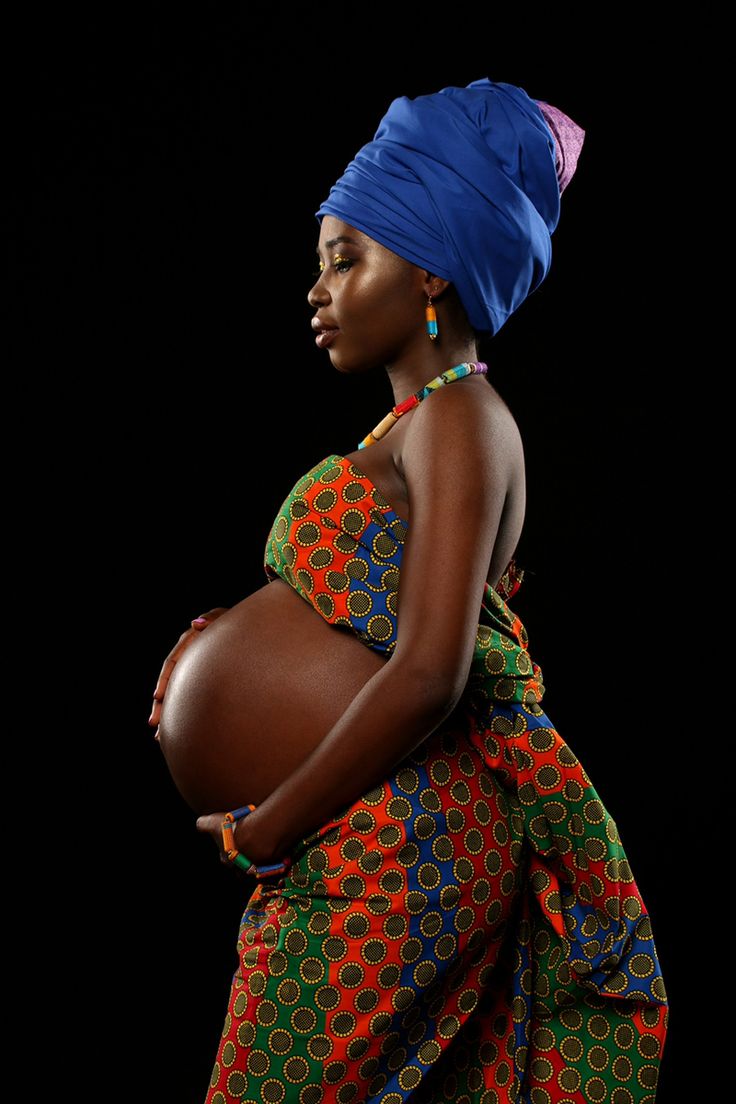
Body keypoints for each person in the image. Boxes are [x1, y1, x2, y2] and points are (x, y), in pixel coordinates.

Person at [153, 78, 668, 1103]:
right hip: (369, 835)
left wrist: (267, 830)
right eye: (318, 266)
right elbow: (386, 617)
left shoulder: (461, 418)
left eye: (347, 258)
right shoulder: (420, 425)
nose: (318, 289)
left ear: (432, 269)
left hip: (400, 843)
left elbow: (432, 670)